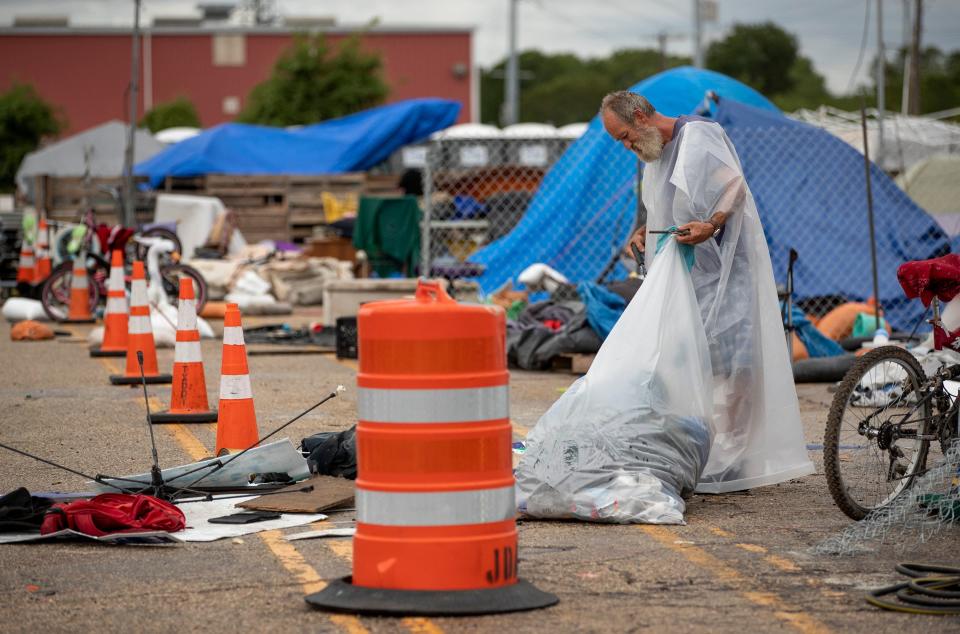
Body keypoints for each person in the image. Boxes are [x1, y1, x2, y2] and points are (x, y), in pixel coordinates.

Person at [599, 90, 813, 493]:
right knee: (687, 359)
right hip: (690, 274)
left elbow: (734, 186)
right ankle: (702, 449)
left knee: (736, 365)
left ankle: (737, 455)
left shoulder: (697, 136)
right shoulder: (654, 153)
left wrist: (712, 224)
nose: (627, 147)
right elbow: (664, 206)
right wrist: (644, 230)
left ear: (642, 116)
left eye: (625, 136)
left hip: (728, 270)